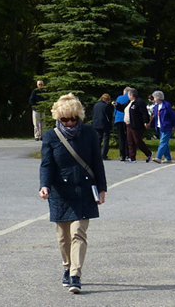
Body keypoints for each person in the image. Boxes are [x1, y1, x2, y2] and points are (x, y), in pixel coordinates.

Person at [38, 93, 107, 294]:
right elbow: (46, 164)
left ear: (79, 117)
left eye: (73, 119)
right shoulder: (51, 136)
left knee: (78, 233)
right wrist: (44, 185)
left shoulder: (89, 133)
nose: (69, 123)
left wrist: (102, 188)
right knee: (63, 237)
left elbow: (97, 162)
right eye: (64, 120)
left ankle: (76, 275)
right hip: (60, 192)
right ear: (58, 118)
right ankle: (67, 267)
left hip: (84, 190)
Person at [115, 88, 152, 162]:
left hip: (136, 124)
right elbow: (123, 108)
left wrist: (146, 121)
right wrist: (117, 105)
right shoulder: (129, 102)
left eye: (128, 95)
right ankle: (132, 157)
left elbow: (144, 112)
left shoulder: (139, 102)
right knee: (130, 141)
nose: (128, 96)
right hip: (128, 124)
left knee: (137, 141)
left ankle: (148, 153)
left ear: (131, 95)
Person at [148, 90, 175, 163]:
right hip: (159, 127)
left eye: (154, 97)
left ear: (158, 98)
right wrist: (150, 124)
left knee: (163, 142)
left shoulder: (166, 105)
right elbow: (155, 117)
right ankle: (168, 158)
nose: (154, 99)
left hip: (166, 126)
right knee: (165, 143)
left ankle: (158, 157)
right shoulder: (156, 107)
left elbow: (173, 116)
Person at [91, 94, 114, 159]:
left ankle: (97, 154)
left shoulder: (96, 105)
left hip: (96, 124)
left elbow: (93, 114)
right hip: (104, 124)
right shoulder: (106, 106)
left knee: (98, 139)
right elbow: (109, 116)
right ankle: (104, 155)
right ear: (107, 100)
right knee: (106, 138)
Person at [112, 88, 131, 161]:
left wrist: (115, 116)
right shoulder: (130, 98)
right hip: (127, 119)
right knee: (128, 136)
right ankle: (128, 154)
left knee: (121, 137)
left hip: (119, 119)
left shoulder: (119, 98)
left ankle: (122, 155)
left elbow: (115, 109)